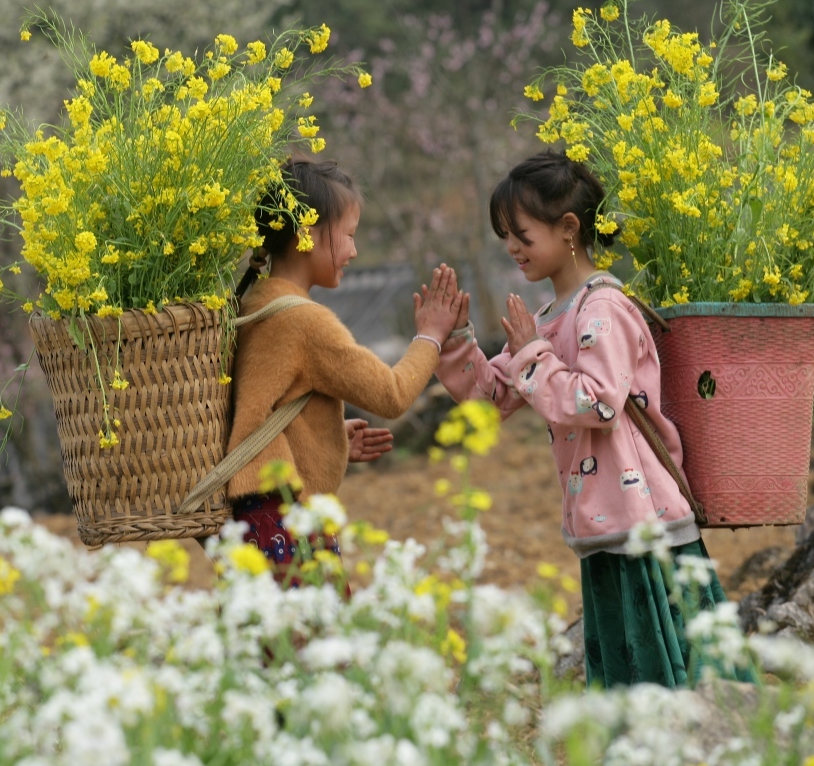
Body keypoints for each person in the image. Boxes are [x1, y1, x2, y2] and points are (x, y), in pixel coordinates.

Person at [435, 149, 736, 688]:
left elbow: (598, 402)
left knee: (676, 679)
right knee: (633, 675)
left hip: (647, 523)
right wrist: (453, 339)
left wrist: (531, 355)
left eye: (521, 234)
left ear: (568, 227)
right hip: (603, 522)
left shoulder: (603, 309)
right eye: (505, 234)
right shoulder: (552, 319)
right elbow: (492, 400)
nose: (511, 248)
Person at [227, 157, 464, 586]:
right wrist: (430, 336)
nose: (354, 251)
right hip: (288, 520)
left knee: (271, 650)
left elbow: (263, 411)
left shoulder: (254, 303)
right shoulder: (305, 321)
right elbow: (391, 395)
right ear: (305, 236)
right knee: (312, 648)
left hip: (253, 519)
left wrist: (326, 440)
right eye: (349, 236)